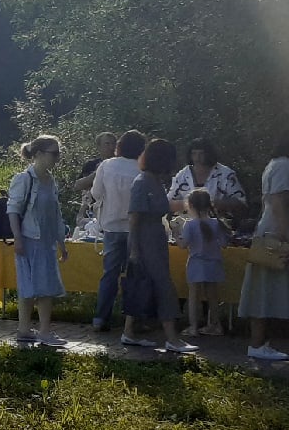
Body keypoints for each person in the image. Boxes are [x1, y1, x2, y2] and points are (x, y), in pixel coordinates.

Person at [122, 138, 199, 353]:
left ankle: (128, 332)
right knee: (163, 285)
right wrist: (135, 249)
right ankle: (172, 339)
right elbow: (134, 218)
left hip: (156, 236)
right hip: (145, 239)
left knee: (142, 284)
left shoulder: (156, 181)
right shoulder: (142, 182)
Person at [238, 122, 289, 362]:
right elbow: (279, 205)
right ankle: (257, 344)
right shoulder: (285, 166)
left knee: (283, 289)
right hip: (276, 236)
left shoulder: (283, 165)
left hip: (279, 233)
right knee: (264, 290)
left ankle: (272, 341)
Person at [7, 136, 70, 346]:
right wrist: (17, 239)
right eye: (54, 153)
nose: (57, 158)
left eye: (58, 154)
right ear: (39, 154)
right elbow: (13, 210)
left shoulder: (51, 180)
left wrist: (62, 243)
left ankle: (35, 330)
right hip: (28, 239)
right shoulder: (24, 179)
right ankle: (36, 331)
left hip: (46, 241)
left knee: (45, 286)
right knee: (31, 287)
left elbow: (55, 214)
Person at [89, 131, 147, 331]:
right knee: (134, 275)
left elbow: (95, 193)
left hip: (111, 226)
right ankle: (133, 321)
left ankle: (100, 318)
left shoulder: (106, 165)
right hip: (135, 228)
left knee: (109, 274)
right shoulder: (141, 169)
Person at [179, 189, 229, 337]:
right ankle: (215, 325)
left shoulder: (189, 225)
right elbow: (225, 243)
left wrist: (176, 234)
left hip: (196, 263)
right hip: (214, 263)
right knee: (213, 297)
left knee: (194, 296)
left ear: (190, 206)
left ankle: (193, 327)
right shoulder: (217, 223)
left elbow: (182, 245)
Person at [168, 138, 248, 218]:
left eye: (201, 154)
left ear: (209, 154)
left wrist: (213, 204)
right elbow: (168, 203)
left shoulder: (226, 174)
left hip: (220, 224)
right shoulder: (182, 175)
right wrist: (191, 204)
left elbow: (241, 202)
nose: (197, 158)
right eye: (194, 154)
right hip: (188, 225)